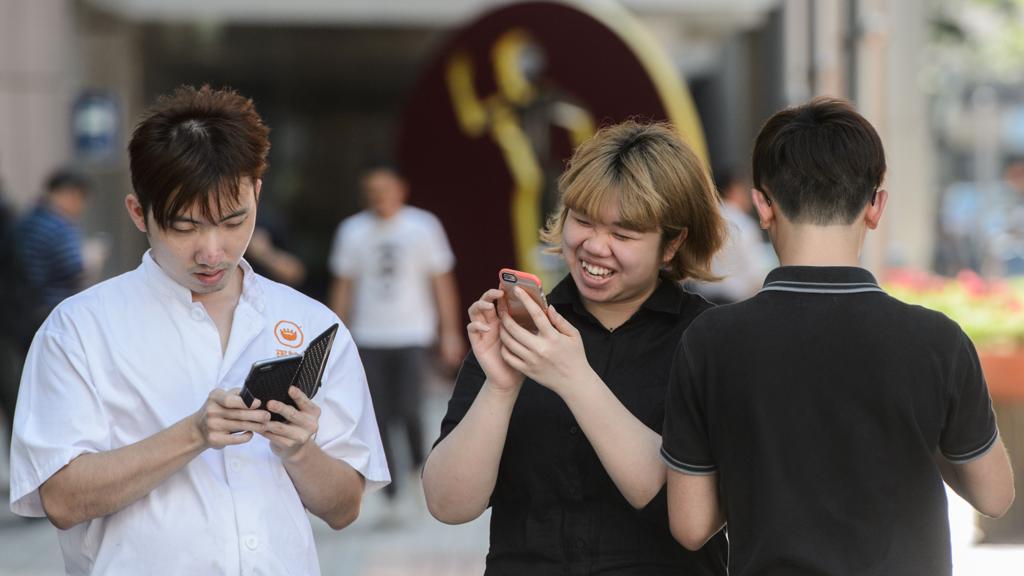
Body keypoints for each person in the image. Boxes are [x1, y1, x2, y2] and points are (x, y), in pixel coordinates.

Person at [9, 85, 389, 575]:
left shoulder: (312, 322)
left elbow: (344, 507)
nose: (213, 252)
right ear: (137, 212)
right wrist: (193, 433)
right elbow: (60, 498)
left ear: (257, 192)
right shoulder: (79, 329)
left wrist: (299, 449)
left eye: (234, 222)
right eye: (185, 228)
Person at [662, 97, 1015, 576]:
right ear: (875, 206)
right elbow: (994, 496)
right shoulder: (936, 341)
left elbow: (690, 524)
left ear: (763, 205)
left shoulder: (711, 340)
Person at [423, 121, 729, 575]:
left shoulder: (708, 339)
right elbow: (448, 504)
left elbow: (690, 515)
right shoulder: (522, 326)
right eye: (582, 220)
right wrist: (501, 387)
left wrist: (574, 378)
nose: (594, 246)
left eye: (623, 235)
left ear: (673, 243)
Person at [328, 163, 465, 508]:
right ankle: (388, 485)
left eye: (385, 191)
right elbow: (343, 287)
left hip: (413, 332)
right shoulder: (351, 231)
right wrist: (332, 336)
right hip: (368, 335)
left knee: (410, 407)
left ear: (401, 190)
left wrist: (449, 332)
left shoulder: (423, 226)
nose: (380, 199)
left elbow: (441, 282)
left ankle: (420, 464)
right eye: (372, 192)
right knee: (377, 411)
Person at [14, 168, 90, 337]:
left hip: (23, 309)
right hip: (51, 309)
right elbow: (74, 268)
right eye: (81, 198)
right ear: (71, 194)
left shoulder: (29, 218)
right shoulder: (59, 226)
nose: (81, 206)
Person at [689, 167, 773, 304]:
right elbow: (756, 273)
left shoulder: (702, 223)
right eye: (743, 190)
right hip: (737, 304)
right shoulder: (743, 224)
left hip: (703, 303)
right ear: (733, 189)